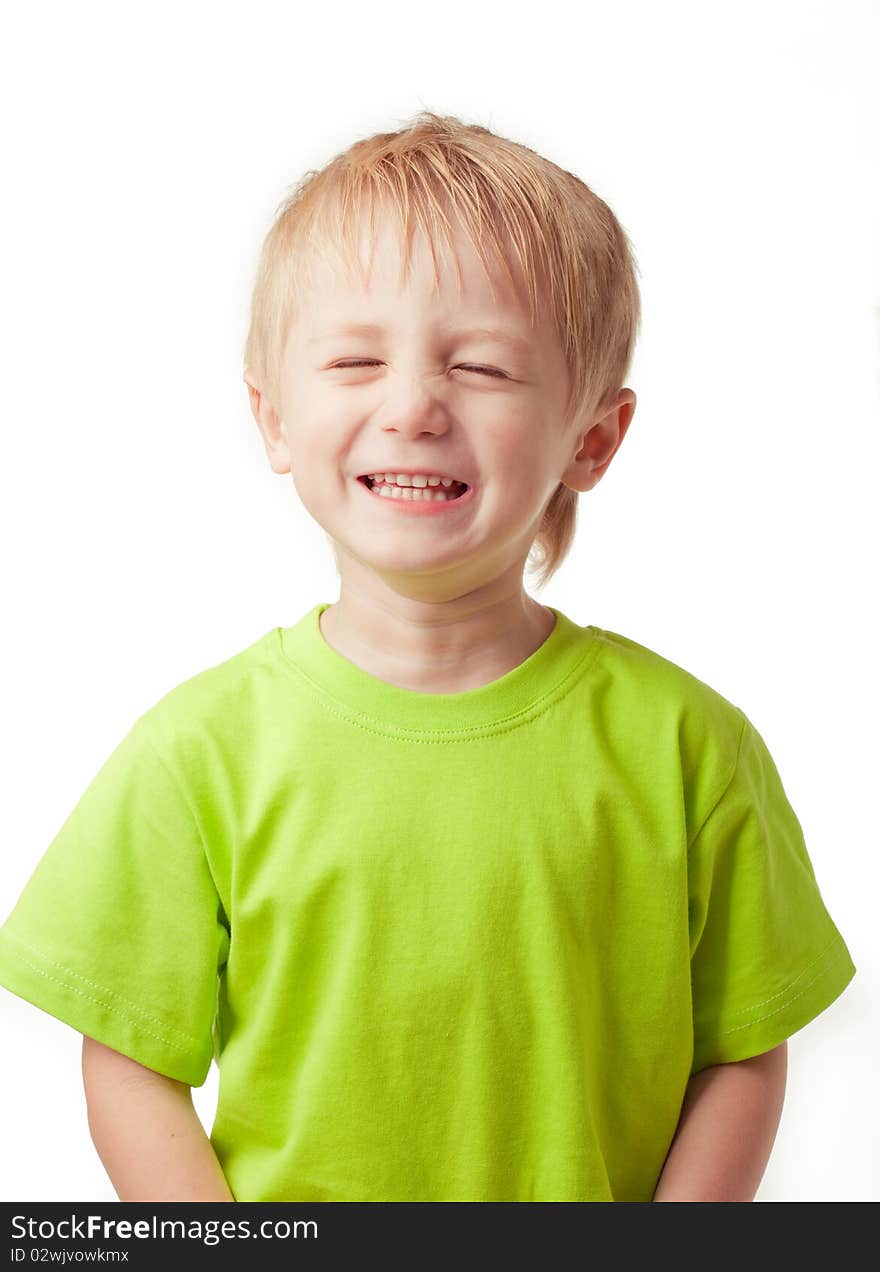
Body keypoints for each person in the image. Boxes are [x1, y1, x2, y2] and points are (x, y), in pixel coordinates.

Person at [0, 110, 856, 1203]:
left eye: (484, 367)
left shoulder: (690, 745)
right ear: (271, 416)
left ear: (590, 439)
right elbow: (128, 1057)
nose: (411, 407)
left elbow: (742, 1045)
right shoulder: (197, 750)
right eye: (355, 358)